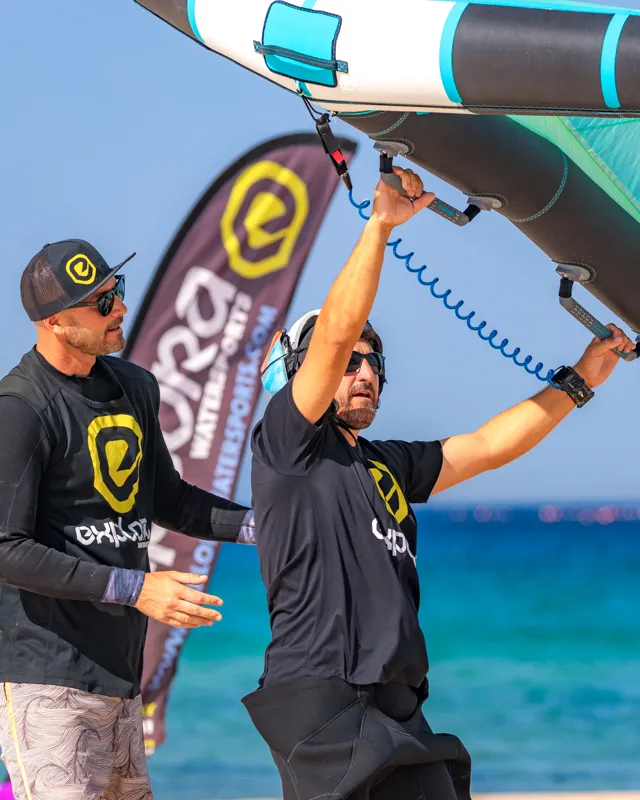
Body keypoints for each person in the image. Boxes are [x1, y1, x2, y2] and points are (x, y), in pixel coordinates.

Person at [244, 168, 635, 800]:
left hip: (398, 706)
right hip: (323, 703)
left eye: (373, 361)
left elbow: (485, 447)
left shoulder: (385, 464)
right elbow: (339, 327)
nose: (364, 369)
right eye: (347, 362)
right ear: (302, 373)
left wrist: (581, 380)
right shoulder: (288, 447)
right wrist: (380, 224)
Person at [0, 240, 256, 800]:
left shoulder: (133, 387)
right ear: (57, 323)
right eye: (101, 301)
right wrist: (135, 587)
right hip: (47, 678)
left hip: (120, 675)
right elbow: (6, 548)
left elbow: (169, 499)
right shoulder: (19, 408)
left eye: (116, 291)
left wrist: (269, 526)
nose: (119, 307)